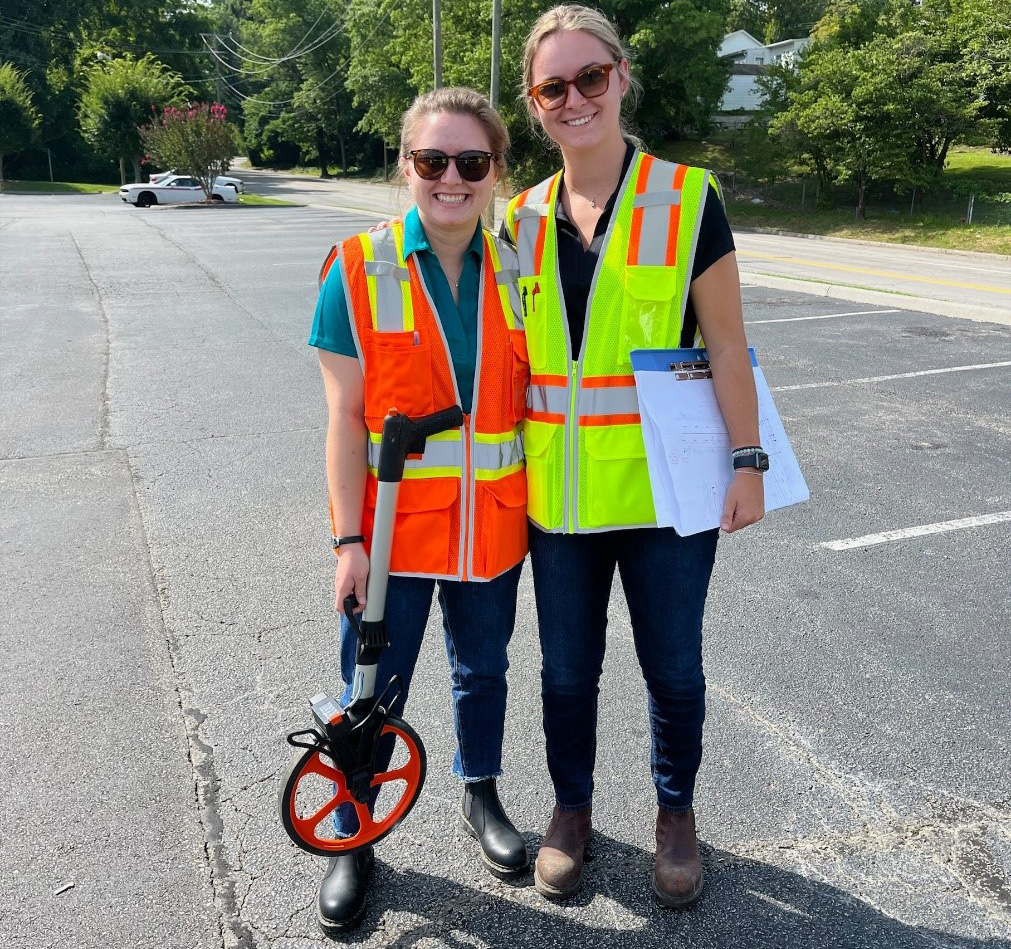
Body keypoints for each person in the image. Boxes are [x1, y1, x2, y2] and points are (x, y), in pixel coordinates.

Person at [502, 5, 767, 908]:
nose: (573, 98)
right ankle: (570, 812)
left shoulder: (689, 198)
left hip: (667, 494)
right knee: (567, 670)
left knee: (674, 668)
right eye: (552, 87)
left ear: (620, 76)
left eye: (589, 77)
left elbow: (727, 346)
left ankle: (674, 815)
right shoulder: (520, 217)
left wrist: (749, 459)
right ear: (534, 104)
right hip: (562, 501)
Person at [308, 86, 530, 935]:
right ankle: (352, 831)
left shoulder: (518, 263)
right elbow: (339, 416)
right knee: (371, 688)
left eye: (470, 162)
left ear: (494, 171)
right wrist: (348, 540)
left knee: (484, 671)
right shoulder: (356, 266)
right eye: (431, 160)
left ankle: (480, 795)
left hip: (490, 529)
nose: (450, 178)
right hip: (391, 537)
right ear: (405, 167)